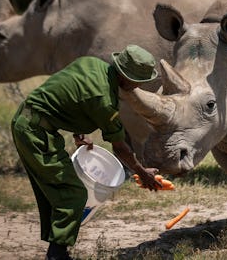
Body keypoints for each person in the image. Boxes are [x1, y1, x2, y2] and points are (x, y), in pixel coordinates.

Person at [11, 45, 162, 260]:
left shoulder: (92, 64)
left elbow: (70, 91)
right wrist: (141, 171)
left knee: (57, 192)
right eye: (140, 80)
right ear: (127, 78)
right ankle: (56, 255)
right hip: (35, 132)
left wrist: (78, 130)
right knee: (73, 194)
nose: (139, 85)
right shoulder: (105, 102)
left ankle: (56, 249)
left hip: (29, 121)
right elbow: (120, 147)